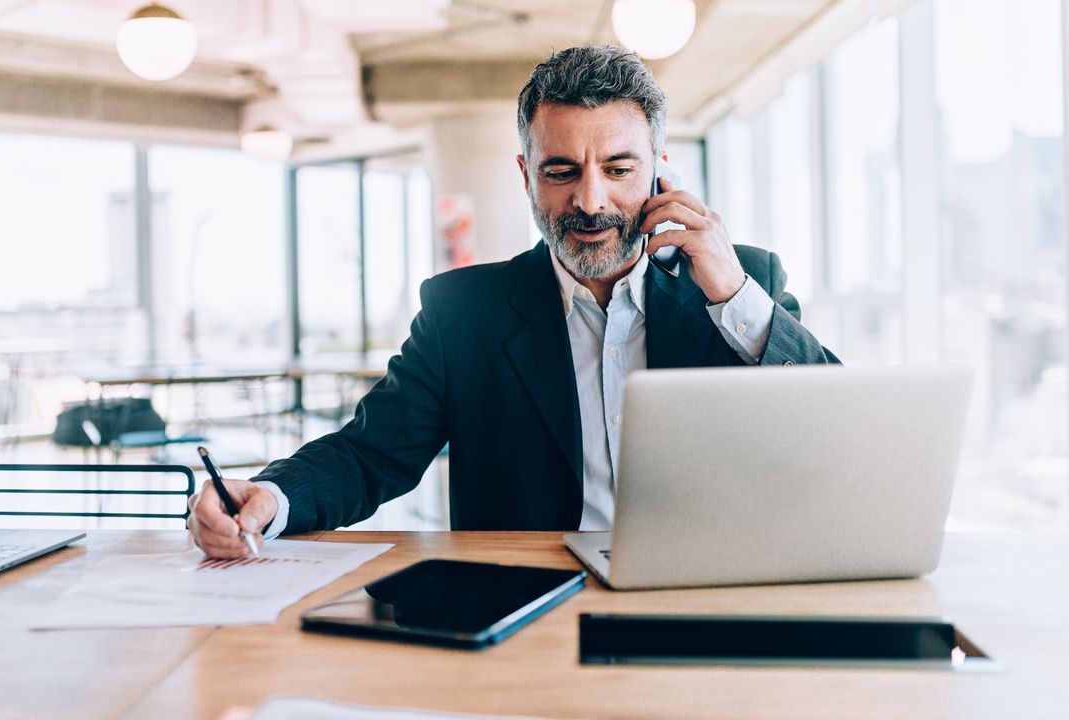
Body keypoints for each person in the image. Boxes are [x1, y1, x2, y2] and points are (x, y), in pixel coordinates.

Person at [189, 45, 839, 559]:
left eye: (618, 169)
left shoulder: (742, 281)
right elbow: (370, 455)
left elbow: (831, 440)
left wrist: (733, 298)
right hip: (524, 606)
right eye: (561, 171)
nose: (589, 202)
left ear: (659, 169)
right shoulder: (463, 312)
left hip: (708, 598)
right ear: (527, 175)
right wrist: (271, 496)